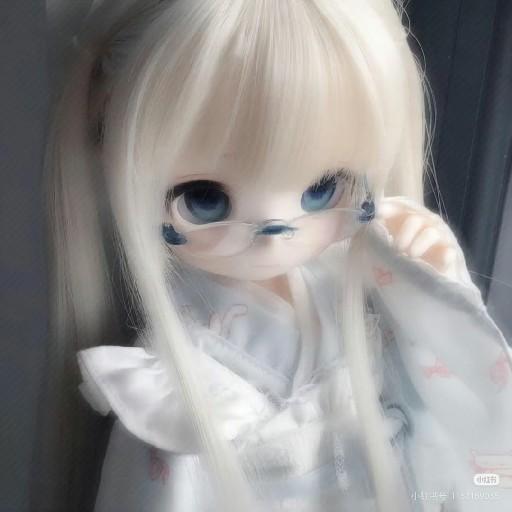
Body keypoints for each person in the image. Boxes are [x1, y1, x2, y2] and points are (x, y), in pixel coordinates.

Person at [44, 1, 512, 511]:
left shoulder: (356, 284)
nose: (274, 233)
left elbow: (455, 428)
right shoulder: (180, 386)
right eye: (204, 198)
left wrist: (430, 286)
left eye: (322, 189)